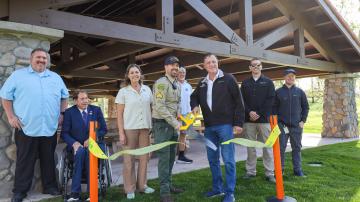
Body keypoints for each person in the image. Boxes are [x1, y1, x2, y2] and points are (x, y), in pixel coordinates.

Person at [0, 48, 68, 202]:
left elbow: (64, 96)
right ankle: (19, 191)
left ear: (47, 61)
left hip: (49, 127)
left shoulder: (55, 77)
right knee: (25, 160)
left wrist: (62, 113)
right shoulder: (18, 76)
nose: (41, 60)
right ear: (31, 59)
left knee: (48, 158)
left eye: (44, 58)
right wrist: (11, 116)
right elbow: (5, 96)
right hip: (26, 127)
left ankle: (50, 186)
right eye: (38, 57)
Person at [191, 54, 245, 202]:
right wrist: (194, 105)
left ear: (218, 63)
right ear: (204, 66)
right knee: (213, 159)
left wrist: (238, 123)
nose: (211, 64)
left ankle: (230, 192)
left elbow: (239, 101)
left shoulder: (228, 78)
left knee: (228, 159)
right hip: (209, 128)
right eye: (208, 62)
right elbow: (193, 96)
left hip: (226, 126)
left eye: (213, 61)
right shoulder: (202, 82)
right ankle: (217, 188)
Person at [115, 64, 155, 200]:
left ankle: (142, 185)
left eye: (136, 72)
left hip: (145, 128)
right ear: (128, 75)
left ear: (140, 74)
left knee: (145, 157)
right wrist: (121, 133)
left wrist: (152, 128)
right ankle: (129, 188)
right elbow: (119, 115)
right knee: (129, 159)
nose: (134, 75)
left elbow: (152, 109)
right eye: (132, 73)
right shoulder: (123, 92)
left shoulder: (147, 90)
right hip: (129, 129)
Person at [61, 90, 107, 201]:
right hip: (76, 147)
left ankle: (92, 193)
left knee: (89, 153)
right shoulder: (69, 112)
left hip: (93, 145)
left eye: (86, 98)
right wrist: (74, 143)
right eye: (82, 99)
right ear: (75, 100)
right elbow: (64, 133)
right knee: (81, 152)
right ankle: (75, 194)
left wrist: (92, 139)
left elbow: (103, 129)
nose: (85, 101)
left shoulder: (96, 110)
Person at [152, 56, 183, 202]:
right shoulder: (161, 84)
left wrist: (179, 117)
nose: (175, 68)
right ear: (165, 67)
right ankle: (164, 193)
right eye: (172, 65)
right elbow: (159, 106)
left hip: (172, 125)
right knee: (164, 159)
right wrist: (174, 123)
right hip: (162, 126)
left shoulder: (177, 84)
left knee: (171, 158)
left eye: (177, 65)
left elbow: (175, 105)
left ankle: (169, 185)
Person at [240, 58, 276, 183]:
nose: (256, 67)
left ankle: (269, 173)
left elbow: (270, 100)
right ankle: (250, 172)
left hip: (264, 120)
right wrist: (249, 112)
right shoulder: (245, 83)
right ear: (250, 68)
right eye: (253, 65)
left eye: (258, 65)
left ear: (262, 67)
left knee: (267, 146)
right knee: (250, 147)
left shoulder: (268, 82)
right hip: (248, 120)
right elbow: (242, 101)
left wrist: (259, 113)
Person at [273, 69, 309, 177]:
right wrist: (278, 123)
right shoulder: (278, 92)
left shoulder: (300, 92)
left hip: (296, 126)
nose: (291, 78)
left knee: (297, 148)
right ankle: (280, 170)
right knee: (281, 149)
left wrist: (303, 121)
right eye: (288, 76)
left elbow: (306, 107)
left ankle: (297, 170)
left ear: (295, 78)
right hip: (282, 126)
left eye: (293, 76)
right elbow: (274, 109)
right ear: (284, 77)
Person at [176, 67, 194, 164]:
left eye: (183, 72)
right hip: (176, 115)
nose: (182, 74)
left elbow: (190, 101)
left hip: (187, 115)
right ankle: (170, 158)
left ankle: (181, 156)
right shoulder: (173, 85)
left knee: (183, 135)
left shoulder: (188, 86)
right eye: (180, 72)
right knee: (174, 135)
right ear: (177, 73)